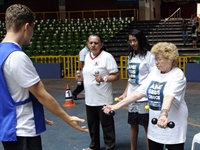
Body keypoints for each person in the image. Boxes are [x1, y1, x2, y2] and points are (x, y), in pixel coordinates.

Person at [0, 4, 88, 150]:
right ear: (26, 26)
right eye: (33, 28)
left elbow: (11, 92)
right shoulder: (17, 57)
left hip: (10, 126)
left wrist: (36, 113)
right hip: (23, 130)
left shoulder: (2, 52)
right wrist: (68, 119)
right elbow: (41, 95)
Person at [103, 42, 188, 150]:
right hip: (155, 125)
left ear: (170, 59)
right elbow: (138, 93)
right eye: (155, 59)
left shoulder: (177, 75)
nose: (156, 62)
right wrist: (116, 106)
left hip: (173, 123)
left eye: (159, 59)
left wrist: (164, 114)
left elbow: (169, 96)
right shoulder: (154, 73)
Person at [78, 34, 119, 150]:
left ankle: (109, 147)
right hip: (90, 98)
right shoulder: (87, 56)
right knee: (92, 125)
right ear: (87, 44)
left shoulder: (107, 57)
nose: (93, 45)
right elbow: (87, 73)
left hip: (103, 99)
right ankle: (93, 145)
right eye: (91, 43)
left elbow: (116, 75)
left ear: (101, 45)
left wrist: (104, 78)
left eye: (96, 43)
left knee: (107, 125)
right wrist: (81, 78)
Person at [117, 29, 155, 150]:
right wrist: (125, 94)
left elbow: (153, 77)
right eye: (130, 41)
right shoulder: (131, 56)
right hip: (132, 97)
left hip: (144, 97)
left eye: (135, 40)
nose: (132, 43)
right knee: (133, 125)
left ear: (141, 40)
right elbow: (131, 78)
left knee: (147, 126)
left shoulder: (149, 56)